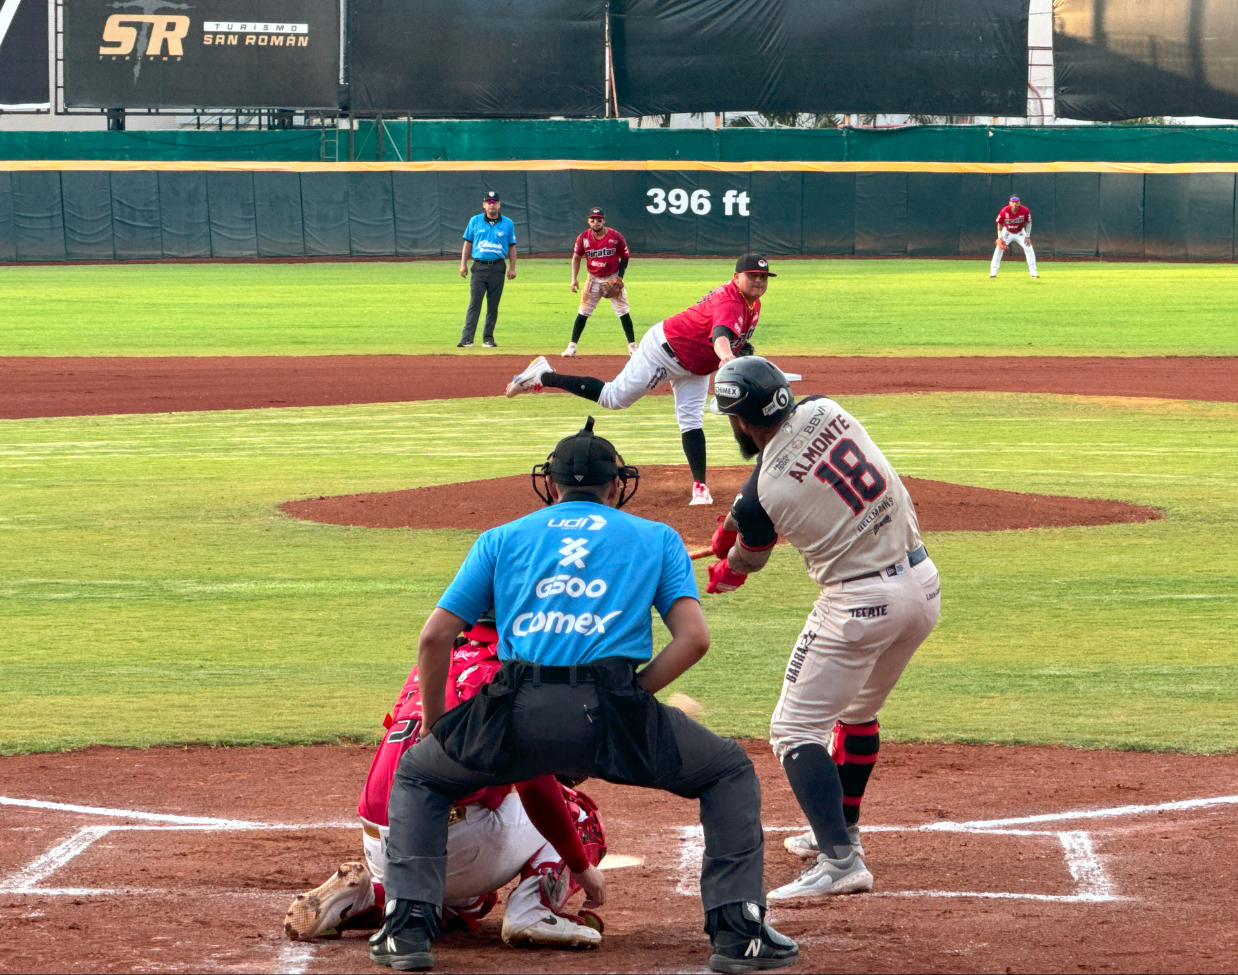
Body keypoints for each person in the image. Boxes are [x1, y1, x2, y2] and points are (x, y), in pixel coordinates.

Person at [368, 418, 797, 973]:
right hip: (612, 708)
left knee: (421, 776)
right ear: (616, 486)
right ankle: (739, 935)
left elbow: (434, 638)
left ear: (551, 485)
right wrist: (632, 695)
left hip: (514, 709)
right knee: (728, 773)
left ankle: (407, 933)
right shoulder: (658, 538)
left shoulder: (500, 538)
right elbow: (694, 640)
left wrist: (440, 727)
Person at [702, 356, 941, 901]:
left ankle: (840, 861)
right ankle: (842, 830)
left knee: (793, 731)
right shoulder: (826, 409)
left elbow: (751, 560)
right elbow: (763, 478)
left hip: (859, 604)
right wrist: (733, 519)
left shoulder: (768, 493)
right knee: (857, 713)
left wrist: (728, 565)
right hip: (922, 587)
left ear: (739, 420)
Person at [283, 613, 607, 949]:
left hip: (381, 842)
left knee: (474, 902)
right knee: (576, 811)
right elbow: (536, 787)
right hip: (448, 841)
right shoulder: (514, 671)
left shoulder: (438, 659)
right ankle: (533, 910)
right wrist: (581, 868)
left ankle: (373, 894)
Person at [504, 254, 775, 508]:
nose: (759, 282)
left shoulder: (752, 302)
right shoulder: (730, 301)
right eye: (753, 276)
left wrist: (736, 350)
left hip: (696, 364)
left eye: (763, 277)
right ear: (736, 276)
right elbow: (720, 335)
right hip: (664, 351)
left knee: (691, 420)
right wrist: (727, 356)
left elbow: (726, 333)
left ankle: (700, 486)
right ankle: (544, 375)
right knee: (613, 398)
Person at [565, 207, 636, 358]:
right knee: (583, 311)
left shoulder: (615, 236)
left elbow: (625, 257)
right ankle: (572, 346)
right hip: (593, 279)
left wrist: (619, 277)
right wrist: (574, 279)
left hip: (612, 277)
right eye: (592, 220)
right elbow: (576, 258)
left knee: (623, 311)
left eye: (599, 220)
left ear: (604, 220)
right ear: (588, 221)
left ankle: (632, 346)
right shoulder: (583, 238)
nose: (596, 223)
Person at [458, 191, 517, 349]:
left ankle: (488, 338)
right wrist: (463, 264)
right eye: (489, 202)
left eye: (494, 201)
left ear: (499, 204)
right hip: (479, 266)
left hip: (497, 266)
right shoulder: (475, 221)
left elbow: (512, 246)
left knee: (493, 305)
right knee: (474, 303)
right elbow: (467, 243)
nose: (492, 204)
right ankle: (467, 338)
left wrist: (512, 268)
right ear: (484, 204)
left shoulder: (507, 223)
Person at [990, 195, 1038, 279]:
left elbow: (1028, 223)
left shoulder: (1025, 210)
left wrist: (1027, 236)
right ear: (1009, 203)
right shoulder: (1005, 210)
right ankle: (993, 272)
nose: (1015, 204)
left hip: (1020, 232)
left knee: (1029, 248)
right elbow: (1000, 224)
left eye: (1016, 202)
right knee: (998, 249)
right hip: (1007, 232)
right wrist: (1000, 237)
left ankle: (1033, 272)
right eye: (1013, 202)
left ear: (1019, 202)